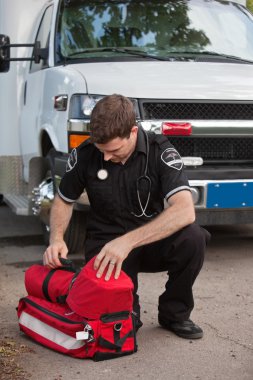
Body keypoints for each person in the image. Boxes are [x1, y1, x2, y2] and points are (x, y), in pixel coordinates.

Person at [43, 94, 210, 339]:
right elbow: (64, 199)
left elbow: (184, 210)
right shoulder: (86, 154)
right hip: (105, 246)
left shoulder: (160, 151)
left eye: (114, 150)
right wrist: (57, 238)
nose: (107, 157)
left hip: (148, 239)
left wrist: (127, 242)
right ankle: (130, 311)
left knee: (193, 238)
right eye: (103, 151)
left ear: (133, 131)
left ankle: (175, 314)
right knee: (122, 326)